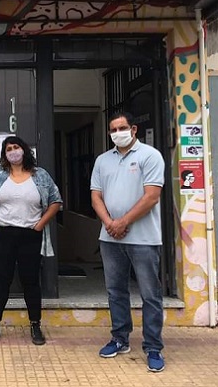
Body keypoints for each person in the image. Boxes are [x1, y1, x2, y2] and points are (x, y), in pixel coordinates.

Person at [90, 111, 165, 373]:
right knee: (116, 291)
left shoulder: (150, 156)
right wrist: (110, 223)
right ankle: (120, 339)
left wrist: (123, 222)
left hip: (144, 239)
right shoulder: (102, 160)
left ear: (133, 129)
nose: (117, 133)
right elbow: (96, 197)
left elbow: (151, 196)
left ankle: (153, 347)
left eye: (122, 128)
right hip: (109, 238)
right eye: (113, 130)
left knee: (150, 294)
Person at [0, 136, 62, 345]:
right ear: (4, 154)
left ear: (24, 150)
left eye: (16, 147)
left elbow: (56, 201)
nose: (13, 151)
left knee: (31, 281)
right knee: (1, 280)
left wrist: (41, 224)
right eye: (9, 149)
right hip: (3, 234)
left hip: (30, 234)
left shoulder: (40, 175)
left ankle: (35, 325)